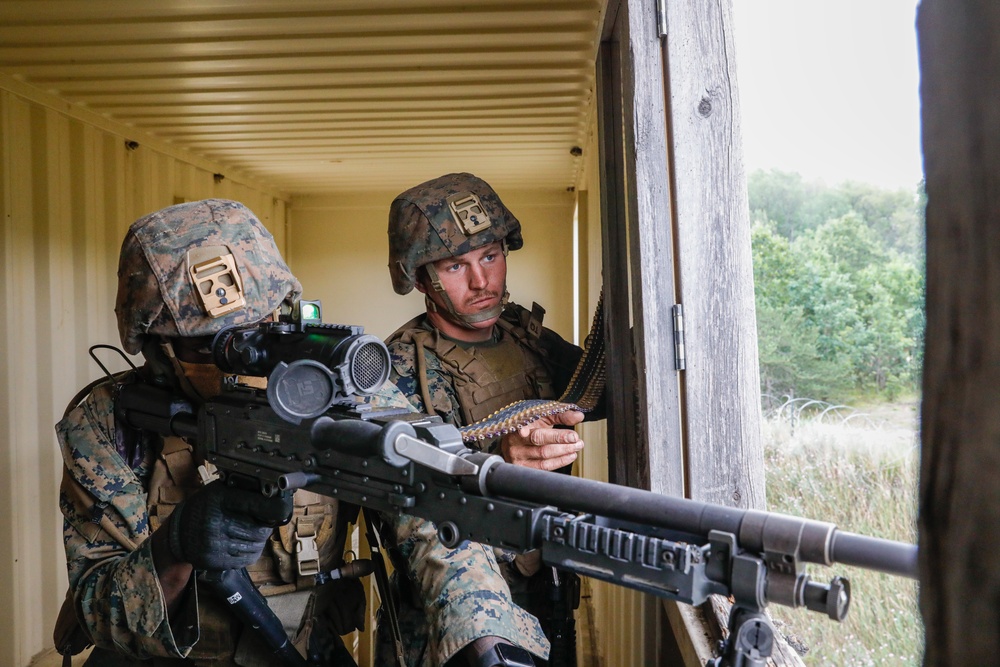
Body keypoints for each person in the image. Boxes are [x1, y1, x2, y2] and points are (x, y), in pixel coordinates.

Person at [55, 198, 547, 667]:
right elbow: (96, 611)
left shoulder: (341, 393)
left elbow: (433, 520)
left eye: (264, 328)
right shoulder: (110, 420)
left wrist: (485, 637)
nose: (248, 358)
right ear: (157, 347)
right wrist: (174, 548)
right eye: (214, 347)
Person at [383, 173, 602, 667]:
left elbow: (597, 389)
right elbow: (401, 495)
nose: (482, 282)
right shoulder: (394, 368)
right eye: (456, 265)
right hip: (451, 627)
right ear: (420, 278)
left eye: (490, 256)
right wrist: (497, 461)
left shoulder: (524, 337)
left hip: (545, 588)